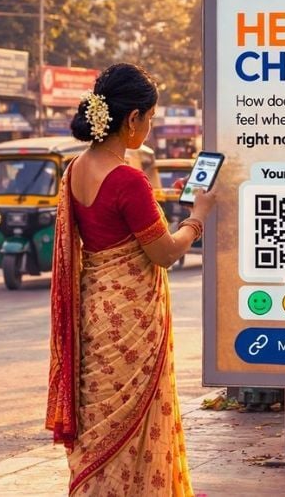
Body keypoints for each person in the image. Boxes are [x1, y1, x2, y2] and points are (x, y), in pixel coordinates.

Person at [47, 63, 212, 496]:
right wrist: (198, 218)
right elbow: (165, 252)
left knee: (102, 424)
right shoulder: (127, 178)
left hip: (95, 312)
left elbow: (121, 225)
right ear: (132, 118)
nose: (151, 128)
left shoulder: (76, 169)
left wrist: (165, 205)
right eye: (151, 118)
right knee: (132, 421)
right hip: (131, 319)